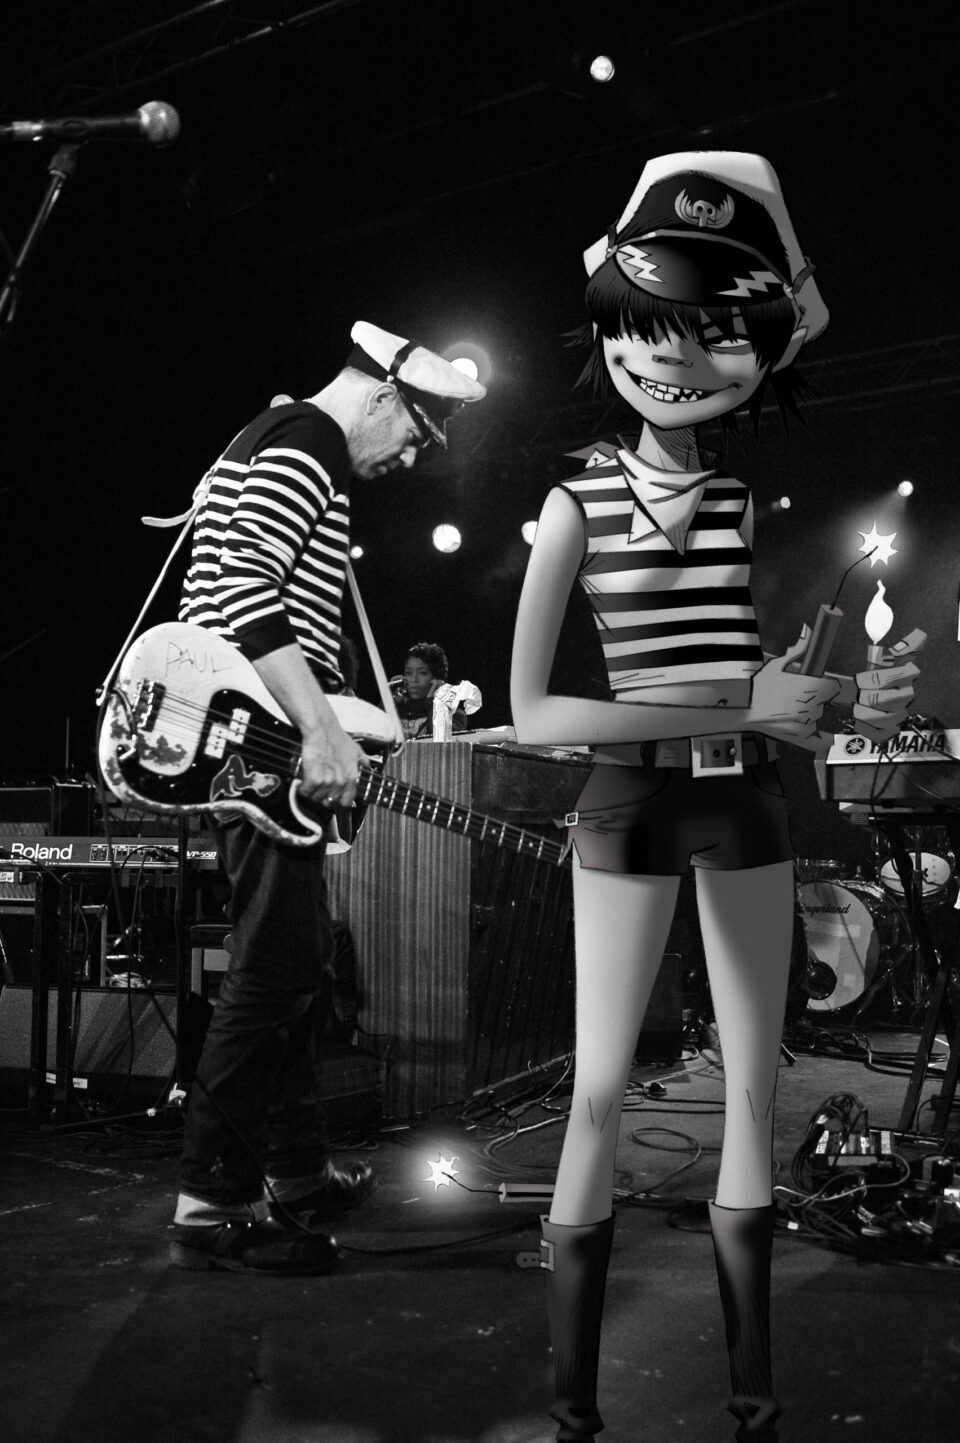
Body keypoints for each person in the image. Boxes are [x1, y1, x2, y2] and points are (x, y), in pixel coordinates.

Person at [510, 153, 924, 1442]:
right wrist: (745, 704)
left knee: (753, 1089)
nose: (678, 357)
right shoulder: (572, 503)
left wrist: (842, 707)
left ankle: (754, 1398)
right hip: (629, 802)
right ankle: (572, 1409)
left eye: (720, 332)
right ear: (607, 322)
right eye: (650, 323)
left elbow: (746, 681)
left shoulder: (738, 500)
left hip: (741, 799)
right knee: (597, 1091)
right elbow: (536, 713)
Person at [170, 320, 485, 1274]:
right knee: (272, 968)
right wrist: (319, 727)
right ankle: (209, 1201)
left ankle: (296, 1172)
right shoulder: (307, 438)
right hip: (266, 739)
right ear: (384, 395)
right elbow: (244, 593)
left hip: (259, 736)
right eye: (416, 436)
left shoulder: (285, 440)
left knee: (299, 962)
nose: (409, 461)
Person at [390, 641, 468, 739]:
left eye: (422, 673)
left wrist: (434, 703)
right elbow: (372, 737)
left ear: (437, 678)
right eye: (408, 673)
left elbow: (444, 740)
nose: (413, 679)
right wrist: (389, 699)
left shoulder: (455, 715)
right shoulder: (394, 707)